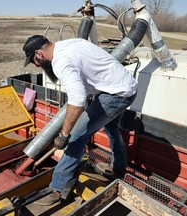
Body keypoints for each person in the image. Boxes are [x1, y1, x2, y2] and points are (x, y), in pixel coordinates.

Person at [22, 35, 137, 205]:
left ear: (39, 53)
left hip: (116, 94)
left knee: (76, 137)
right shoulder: (71, 43)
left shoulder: (61, 62)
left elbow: (77, 100)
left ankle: (56, 189)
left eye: (34, 61)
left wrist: (64, 134)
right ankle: (119, 168)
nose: (37, 65)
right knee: (111, 126)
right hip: (124, 87)